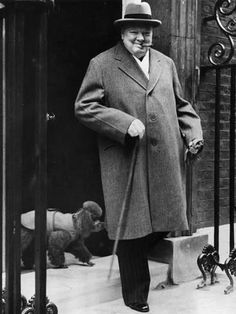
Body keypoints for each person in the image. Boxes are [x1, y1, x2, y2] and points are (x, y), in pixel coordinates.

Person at [74, 2, 203, 312]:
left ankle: (123, 253)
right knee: (130, 228)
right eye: (135, 32)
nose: (142, 38)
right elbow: (84, 107)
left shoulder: (165, 63)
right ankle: (136, 295)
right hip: (126, 158)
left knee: (164, 219)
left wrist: (193, 133)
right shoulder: (102, 64)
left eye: (147, 33)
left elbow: (182, 105)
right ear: (122, 33)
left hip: (164, 158)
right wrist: (123, 122)